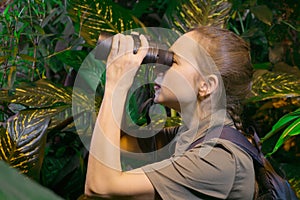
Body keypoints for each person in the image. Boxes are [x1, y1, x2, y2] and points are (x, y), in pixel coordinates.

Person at [84, 26, 255, 199]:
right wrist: (128, 70)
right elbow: (119, 144)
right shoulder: (190, 133)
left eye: (172, 61)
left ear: (206, 85)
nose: (159, 67)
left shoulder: (217, 158)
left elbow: (100, 186)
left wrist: (116, 85)